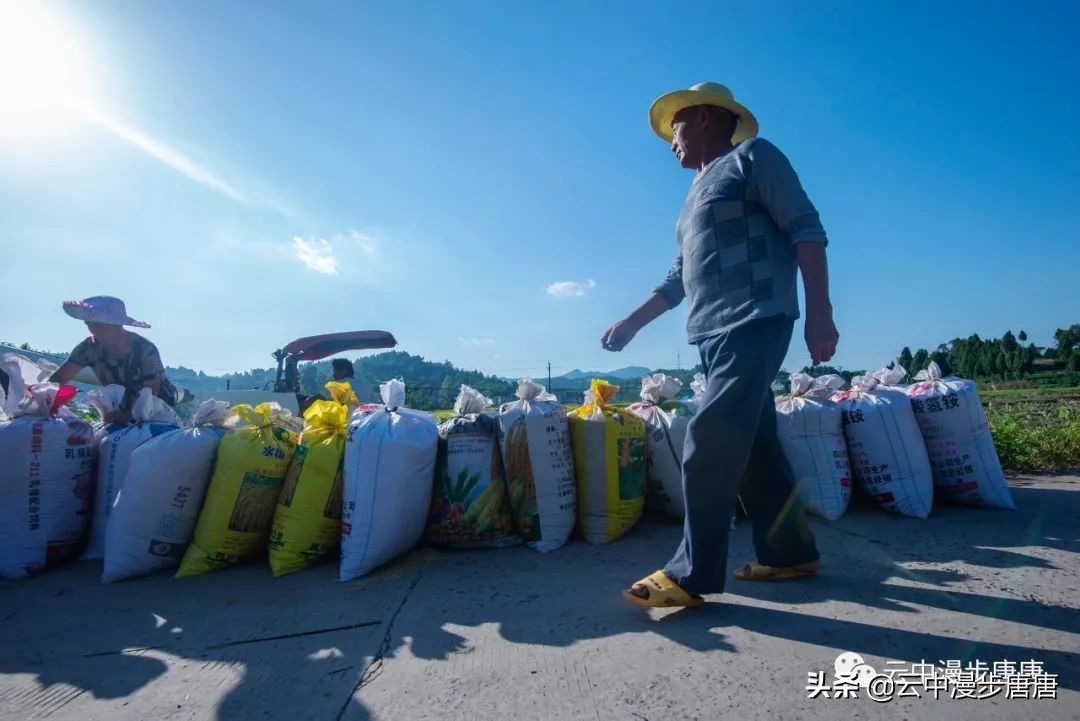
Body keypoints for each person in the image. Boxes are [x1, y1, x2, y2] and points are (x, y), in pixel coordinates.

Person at [602, 82, 839, 608]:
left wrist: (820, 311)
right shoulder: (691, 200)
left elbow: (807, 228)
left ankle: (690, 574)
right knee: (755, 451)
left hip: (755, 318)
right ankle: (789, 554)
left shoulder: (754, 158)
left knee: (708, 439)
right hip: (712, 334)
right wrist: (632, 323)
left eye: (676, 126)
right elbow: (678, 278)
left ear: (706, 117)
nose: (671, 141)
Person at [49, 296, 177, 423]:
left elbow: (151, 390)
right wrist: (47, 400)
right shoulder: (88, 348)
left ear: (117, 324)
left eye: (99, 323)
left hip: (157, 409)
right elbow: (58, 379)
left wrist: (125, 414)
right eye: (89, 323)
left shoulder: (144, 349)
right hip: (119, 406)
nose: (93, 328)